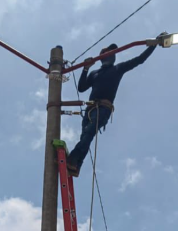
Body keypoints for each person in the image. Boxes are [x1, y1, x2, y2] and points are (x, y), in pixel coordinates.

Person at [66, 35, 166, 177]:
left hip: (103, 109)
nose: (109, 56)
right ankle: (75, 166)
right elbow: (81, 88)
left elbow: (139, 60)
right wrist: (86, 69)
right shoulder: (95, 73)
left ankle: (71, 159)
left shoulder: (118, 68)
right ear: (101, 57)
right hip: (90, 109)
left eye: (111, 53)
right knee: (85, 137)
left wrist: (154, 44)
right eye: (106, 53)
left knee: (89, 133)